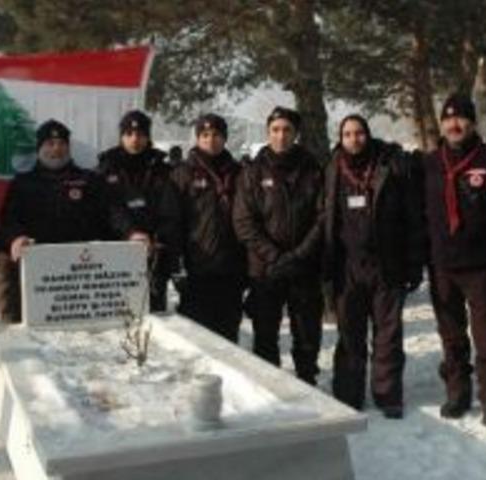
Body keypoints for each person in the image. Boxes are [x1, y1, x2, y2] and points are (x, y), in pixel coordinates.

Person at [423, 94, 486, 427]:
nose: (454, 124)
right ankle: (457, 392)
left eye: (461, 118)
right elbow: (421, 216)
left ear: (473, 122)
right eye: (448, 119)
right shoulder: (430, 163)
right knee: (451, 336)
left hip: (482, 266)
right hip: (442, 266)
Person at [322, 114, 425, 416]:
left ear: (368, 135)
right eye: (348, 134)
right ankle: (348, 395)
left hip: (387, 264)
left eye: (359, 133)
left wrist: (414, 263)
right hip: (347, 266)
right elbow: (325, 219)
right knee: (350, 334)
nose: (354, 139)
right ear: (341, 138)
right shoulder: (332, 169)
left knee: (387, 335)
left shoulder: (389, 166)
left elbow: (412, 218)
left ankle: (388, 394)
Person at [0, 119, 140, 322]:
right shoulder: (23, 183)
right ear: (39, 148)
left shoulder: (90, 180)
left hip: (83, 279)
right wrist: (15, 238)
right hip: (41, 277)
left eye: (62, 144)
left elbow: (113, 212)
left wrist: (131, 232)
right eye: (50, 143)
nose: (57, 149)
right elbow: (9, 218)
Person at [233, 106, 324, 385]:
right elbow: (244, 222)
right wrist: (274, 256)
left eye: (287, 130)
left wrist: (299, 255)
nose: (281, 135)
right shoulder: (252, 171)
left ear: (296, 134)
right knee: (265, 333)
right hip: (265, 269)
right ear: (267, 133)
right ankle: (269, 384)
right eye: (275, 129)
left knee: (307, 332)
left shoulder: (312, 169)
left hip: (304, 267)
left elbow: (323, 217)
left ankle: (307, 379)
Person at [170, 114, 246, 341]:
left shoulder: (238, 172)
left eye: (216, 135)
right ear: (197, 138)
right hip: (197, 266)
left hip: (231, 266)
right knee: (197, 336)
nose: (210, 140)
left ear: (224, 138)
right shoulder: (182, 173)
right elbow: (173, 221)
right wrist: (177, 262)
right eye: (204, 135)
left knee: (228, 332)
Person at [98, 110, 180, 312]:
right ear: (121, 136)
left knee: (155, 318)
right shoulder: (106, 169)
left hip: (154, 255)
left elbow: (170, 209)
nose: (135, 139)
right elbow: (108, 208)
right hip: (117, 254)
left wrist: (157, 239)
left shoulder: (162, 170)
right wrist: (130, 232)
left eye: (141, 134)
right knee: (119, 315)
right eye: (129, 134)